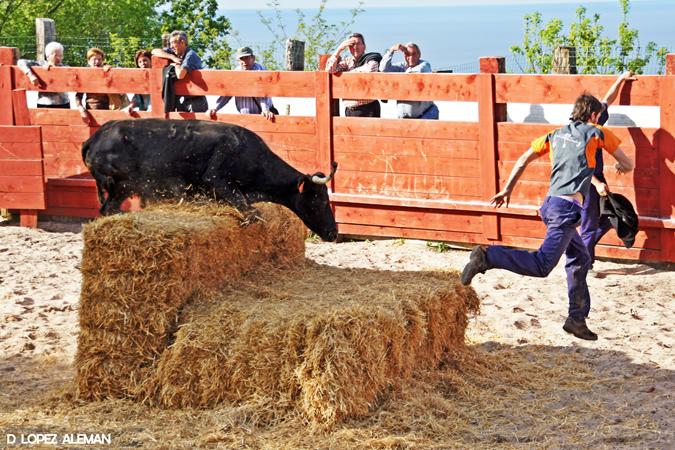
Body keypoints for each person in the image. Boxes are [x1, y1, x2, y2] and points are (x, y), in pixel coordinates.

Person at [460, 93, 635, 341]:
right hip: (565, 211)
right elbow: (628, 164)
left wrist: (508, 188)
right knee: (542, 265)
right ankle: (487, 256)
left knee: (581, 258)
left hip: (552, 204)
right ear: (595, 116)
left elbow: (523, 159)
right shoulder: (597, 132)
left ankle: (576, 318)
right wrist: (621, 167)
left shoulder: (554, 135)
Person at [582, 71, 636, 275]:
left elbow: (607, 100)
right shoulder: (588, 133)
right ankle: (584, 264)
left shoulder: (591, 123)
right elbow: (580, 166)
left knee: (607, 216)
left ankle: (583, 255)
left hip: (592, 182)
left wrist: (621, 79)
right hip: (589, 183)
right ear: (592, 115)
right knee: (589, 223)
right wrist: (596, 182)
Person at [208, 46, 276, 121]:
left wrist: (265, 109)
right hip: (244, 117)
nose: (244, 61)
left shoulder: (261, 70)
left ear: (253, 58)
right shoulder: (236, 73)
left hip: (263, 116)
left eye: (247, 58)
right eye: (241, 59)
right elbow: (227, 94)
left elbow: (263, 92)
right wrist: (214, 108)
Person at [325, 33, 382, 117]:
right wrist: (339, 49)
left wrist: (346, 75)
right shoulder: (347, 61)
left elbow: (370, 70)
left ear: (364, 46)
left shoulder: (371, 58)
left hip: (368, 108)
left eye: (358, 43)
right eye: (352, 44)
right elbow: (329, 70)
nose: (355, 47)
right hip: (350, 110)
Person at [151, 30, 208, 112]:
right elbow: (154, 51)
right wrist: (172, 57)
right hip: (184, 98)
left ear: (182, 42)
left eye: (173, 43)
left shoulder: (190, 55)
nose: (171, 46)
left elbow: (180, 75)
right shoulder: (175, 53)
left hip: (196, 100)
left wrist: (176, 65)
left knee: (195, 124)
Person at [379, 42, 439, 120]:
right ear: (404, 56)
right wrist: (392, 50)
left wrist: (397, 79)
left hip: (423, 117)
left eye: (413, 54)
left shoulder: (424, 65)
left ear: (419, 55)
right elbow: (383, 69)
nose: (410, 57)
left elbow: (415, 73)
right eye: (407, 54)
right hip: (405, 120)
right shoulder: (402, 67)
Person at [17, 41, 70, 109]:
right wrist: (31, 75)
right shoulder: (40, 64)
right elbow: (20, 62)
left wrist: (55, 68)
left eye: (61, 55)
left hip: (63, 103)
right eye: (56, 55)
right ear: (48, 55)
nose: (59, 58)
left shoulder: (65, 67)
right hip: (44, 103)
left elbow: (71, 74)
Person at [75, 48, 112, 125]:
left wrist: (111, 71)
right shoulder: (85, 76)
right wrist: (81, 109)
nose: (97, 62)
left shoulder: (107, 72)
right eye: (94, 59)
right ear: (89, 61)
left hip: (108, 110)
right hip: (91, 110)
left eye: (99, 59)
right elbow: (78, 97)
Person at [122, 50, 152, 114]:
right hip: (142, 108)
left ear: (151, 61)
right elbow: (136, 98)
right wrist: (131, 106)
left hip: (154, 109)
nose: (142, 63)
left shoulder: (157, 75)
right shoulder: (138, 78)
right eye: (140, 62)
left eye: (145, 60)